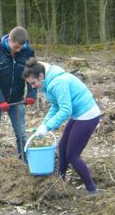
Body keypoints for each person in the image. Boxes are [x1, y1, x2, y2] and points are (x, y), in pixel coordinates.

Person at [23, 58, 101, 194]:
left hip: (88, 115)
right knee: (62, 147)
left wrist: (48, 128)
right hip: (78, 115)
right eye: (30, 84)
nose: (32, 86)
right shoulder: (46, 84)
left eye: (33, 83)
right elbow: (55, 106)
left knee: (72, 154)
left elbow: (65, 110)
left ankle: (91, 189)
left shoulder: (58, 83)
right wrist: (44, 124)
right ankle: (60, 181)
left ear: (41, 76)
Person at [0, 26, 37, 161]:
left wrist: (32, 94)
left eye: (21, 47)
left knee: (21, 133)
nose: (18, 50)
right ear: (9, 40)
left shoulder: (28, 52)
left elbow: (32, 74)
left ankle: (25, 160)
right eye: (15, 46)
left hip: (17, 98)